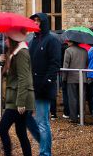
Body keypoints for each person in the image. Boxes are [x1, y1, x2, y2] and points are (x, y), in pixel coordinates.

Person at [28, 12, 61, 156]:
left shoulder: (51, 40)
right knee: (26, 118)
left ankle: (45, 153)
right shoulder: (33, 41)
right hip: (31, 86)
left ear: (43, 22)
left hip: (44, 87)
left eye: (38, 21)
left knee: (42, 121)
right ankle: (43, 143)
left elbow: (54, 64)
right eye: (34, 20)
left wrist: (46, 81)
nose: (35, 23)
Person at [0, 29, 34, 156]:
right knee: (21, 132)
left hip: (18, 99)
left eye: (7, 38)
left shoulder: (22, 53)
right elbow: (9, 74)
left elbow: (24, 78)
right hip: (16, 97)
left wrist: (21, 102)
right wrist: (4, 61)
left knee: (2, 129)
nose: (6, 41)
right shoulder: (14, 53)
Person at [61, 39, 87, 123]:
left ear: (72, 42)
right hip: (82, 77)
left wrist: (64, 78)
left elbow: (66, 65)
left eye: (68, 41)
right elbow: (87, 63)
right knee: (82, 98)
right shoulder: (84, 51)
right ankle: (82, 116)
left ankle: (73, 117)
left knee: (72, 98)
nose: (67, 43)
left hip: (71, 78)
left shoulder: (68, 51)